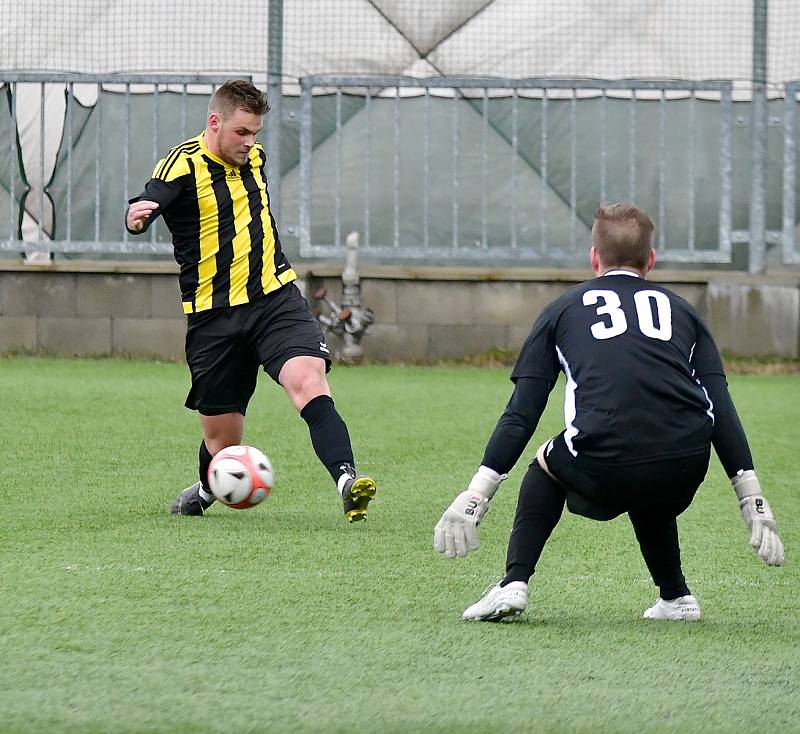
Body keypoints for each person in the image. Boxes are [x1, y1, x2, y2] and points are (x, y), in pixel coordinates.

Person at [433, 203, 784, 621]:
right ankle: (676, 597)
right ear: (650, 260)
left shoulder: (562, 310)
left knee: (547, 464)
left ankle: (513, 584)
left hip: (606, 461)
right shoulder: (685, 312)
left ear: (594, 257)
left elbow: (521, 413)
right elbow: (719, 406)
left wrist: (476, 495)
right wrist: (752, 499)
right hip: (685, 462)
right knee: (648, 461)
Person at [125, 80, 376, 522]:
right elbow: (152, 196)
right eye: (242, 132)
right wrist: (138, 213)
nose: (250, 143)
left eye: (256, 133)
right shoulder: (181, 165)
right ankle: (207, 489)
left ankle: (347, 480)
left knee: (308, 380)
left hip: (273, 299)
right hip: (212, 316)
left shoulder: (253, 158)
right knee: (223, 441)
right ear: (215, 122)